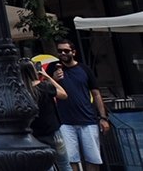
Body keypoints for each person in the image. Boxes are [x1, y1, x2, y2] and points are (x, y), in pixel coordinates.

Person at [53, 40, 110, 171]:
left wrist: (103, 117)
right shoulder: (54, 68)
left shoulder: (84, 69)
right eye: (60, 51)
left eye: (66, 51)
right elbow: (48, 90)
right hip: (65, 122)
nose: (62, 53)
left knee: (93, 158)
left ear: (73, 52)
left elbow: (96, 94)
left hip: (87, 119)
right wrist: (54, 79)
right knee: (71, 159)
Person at [27, 60, 68, 171]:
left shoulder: (22, 92)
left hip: (35, 135)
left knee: (46, 167)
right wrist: (47, 77)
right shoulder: (44, 86)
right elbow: (63, 94)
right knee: (64, 164)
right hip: (53, 132)